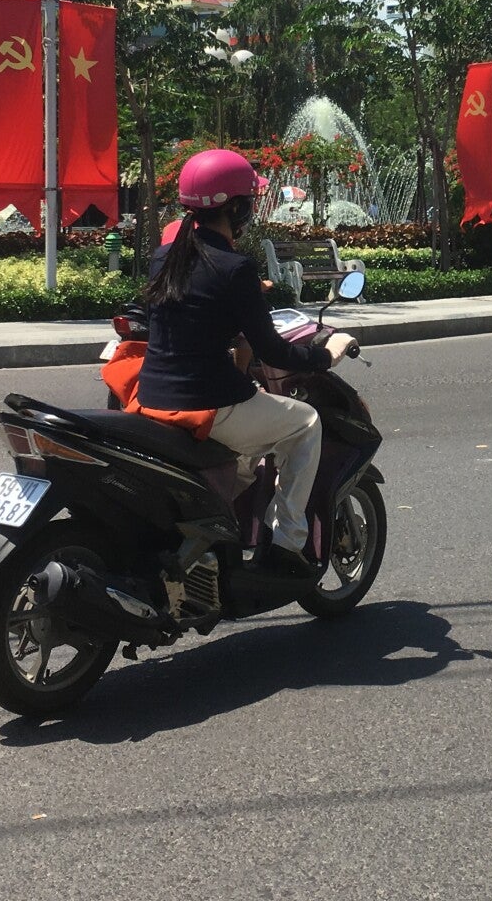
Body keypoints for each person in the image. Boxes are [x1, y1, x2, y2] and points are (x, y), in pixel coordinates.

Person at [136, 149, 355, 579]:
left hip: (153, 396)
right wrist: (324, 356)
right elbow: (272, 351)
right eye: (249, 202)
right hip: (208, 403)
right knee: (306, 423)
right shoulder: (235, 268)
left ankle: (215, 528)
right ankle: (287, 545)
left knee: (248, 441)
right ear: (236, 208)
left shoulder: (166, 257)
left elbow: (193, 315)